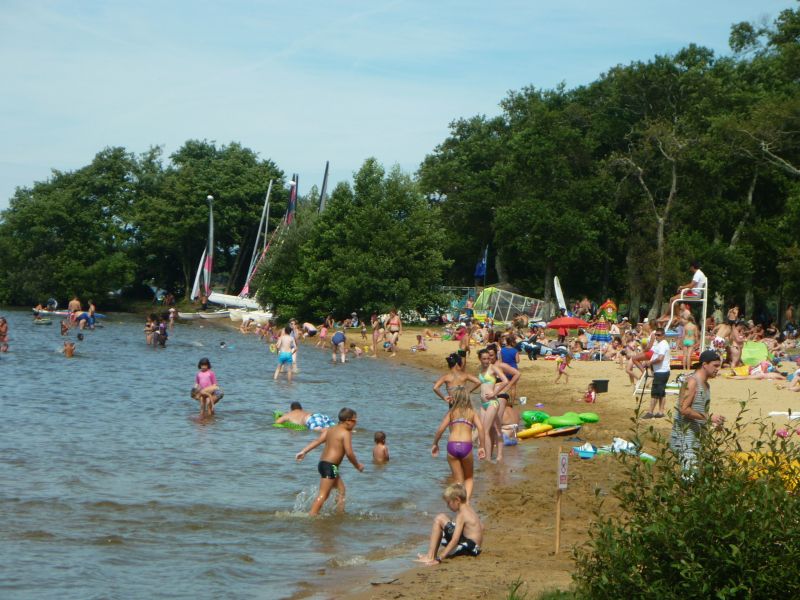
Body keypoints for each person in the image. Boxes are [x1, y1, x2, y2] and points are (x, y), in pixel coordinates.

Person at [295, 407, 365, 516]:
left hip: (323, 464)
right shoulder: (346, 433)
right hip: (330, 466)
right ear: (347, 421)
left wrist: (303, 451)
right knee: (324, 494)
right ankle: (312, 515)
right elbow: (349, 453)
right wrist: (357, 465)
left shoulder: (330, 429)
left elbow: (318, 441)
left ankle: (340, 514)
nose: (355, 424)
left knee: (341, 490)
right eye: (355, 421)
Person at [669, 350, 724, 470]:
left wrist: (713, 423)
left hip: (696, 441)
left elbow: (698, 413)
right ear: (704, 365)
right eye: (715, 365)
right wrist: (709, 417)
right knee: (690, 479)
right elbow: (683, 410)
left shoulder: (706, 385)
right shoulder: (692, 381)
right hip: (684, 440)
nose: (717, 369)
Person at [431, 389, 486, 502]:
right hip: (466, 446)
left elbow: (441, 429)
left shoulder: (452, 412)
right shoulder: (472, 412)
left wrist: (435, 443)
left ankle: (458, 503)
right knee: (469, 478)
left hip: (452, 446)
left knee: (458, 481)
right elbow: (481, 428)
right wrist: (482, 447)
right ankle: (466, 504)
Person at [415, 483, 483, 565]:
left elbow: (455, 540)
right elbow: (482, 526)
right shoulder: (469, 509)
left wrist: (439, 558)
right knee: (444, 519)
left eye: (448, 503)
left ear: (457, 500)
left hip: (468, 549)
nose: (447, 506)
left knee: (439, 518)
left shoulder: (461, 515)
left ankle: (430, 557)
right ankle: (430, 555)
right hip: (475, 548)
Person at [477, 348, 510, 461]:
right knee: (488, 429)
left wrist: (494, 393)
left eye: (488, 358)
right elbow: (480, 384)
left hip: (492, 402)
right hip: (483, 404)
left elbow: (505, 381)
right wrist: (467, 391)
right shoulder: (480, 369)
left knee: (488, 430)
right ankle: (488, 455)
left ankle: (488, 459)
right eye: (484, 359)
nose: (487, 361)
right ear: (480, 359)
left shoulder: (493, 368)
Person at [643, 327, 671, 419]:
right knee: (661, 392)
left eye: (659, 335)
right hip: (661, 371)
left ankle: (650, 412)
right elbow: (654, 355)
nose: (657, 337)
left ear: (663, 335)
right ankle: (660, 412)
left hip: (661, 372)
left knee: (655, 393)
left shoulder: (663, 344)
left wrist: (650, 363)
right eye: (656, 335)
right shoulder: (660, 344)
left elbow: (660, 358)